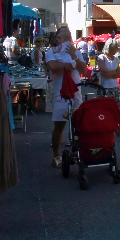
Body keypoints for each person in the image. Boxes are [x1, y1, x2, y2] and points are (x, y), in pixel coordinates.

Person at [46, 26, 87, 167]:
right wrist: (70, 64)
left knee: (79, 122)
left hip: (75, 91)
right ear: (58, 39)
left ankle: (81, 151)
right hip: (59, 92)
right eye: (66, 39)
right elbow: (53, 66)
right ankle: (56, 155)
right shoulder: (51, 51)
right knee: (59, 124)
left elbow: (83, 69)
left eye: (70, 39)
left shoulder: (75, 52)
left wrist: (75, 57)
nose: (69, 42)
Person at [98, 38, 120, 129]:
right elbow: (104, 72)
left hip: (115, 86)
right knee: (105, 108)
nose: (117, 49)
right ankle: (106, 125)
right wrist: (113, 73)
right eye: (116, 47)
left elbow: (118, 74)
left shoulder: (116, 59)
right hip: (104, 87)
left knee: (117, 107)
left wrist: (111, 73)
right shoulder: (102, 57)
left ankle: (117, 126)